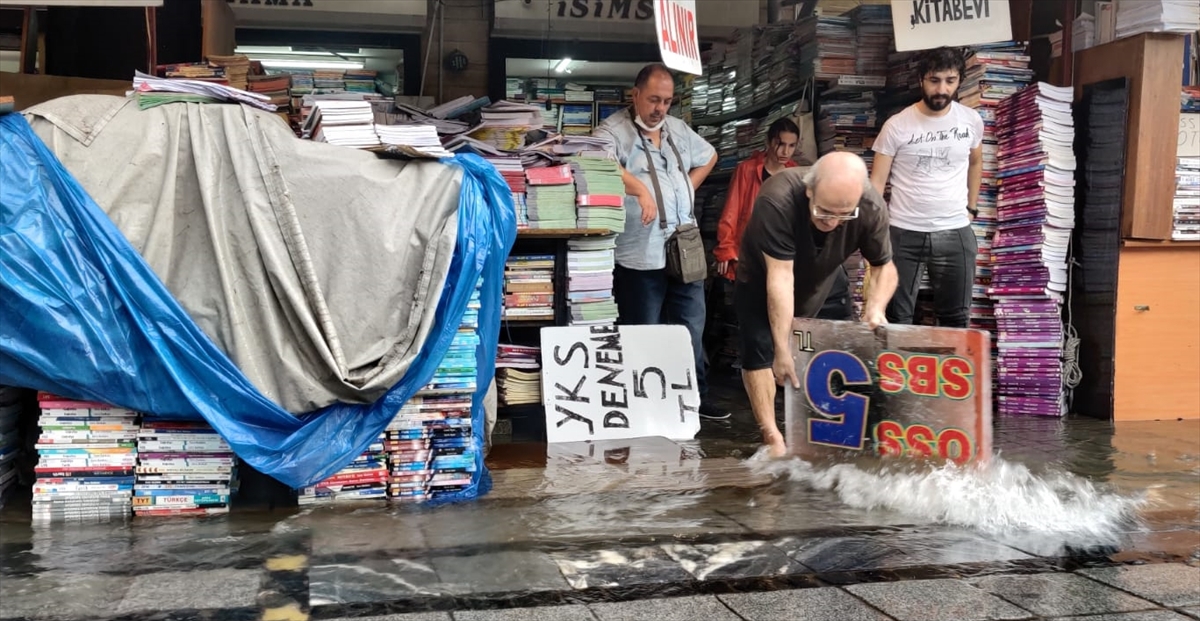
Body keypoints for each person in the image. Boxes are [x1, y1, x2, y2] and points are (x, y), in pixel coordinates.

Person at [735, 152, 899, 456]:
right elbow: (781, 279)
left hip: (825, 276)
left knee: (835, 348)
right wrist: (782, 349)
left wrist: (875, 307)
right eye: (823, 211)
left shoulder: (871, 205)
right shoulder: (778, 199)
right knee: (761, 350)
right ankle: (773, 438)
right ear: (809, 190)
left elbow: (883, 266)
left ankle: (829, 428)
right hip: (763, 279)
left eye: (843, 214)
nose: (833, 221)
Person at [592, 62, 726, 419]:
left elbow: (710, 155)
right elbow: (598, 160)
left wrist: (686, 188)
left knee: (691, 329)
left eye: (667, 101)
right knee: (642, 330)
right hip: (639, 252)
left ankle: (694, 398)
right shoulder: (612, 131)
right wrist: (640, 190)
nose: (660, 108)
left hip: (685, 245)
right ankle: (643, 404)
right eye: (653, 99)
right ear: (634, 95)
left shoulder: (679, 129)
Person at [870, 46, 983, 328]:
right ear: (922, 79)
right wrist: (874, 231)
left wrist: (972, 207)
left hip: (955, 230)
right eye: (934, 80)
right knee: (896, 319)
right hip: (903, 232)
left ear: (959, 81)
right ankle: (897, 373)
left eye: (950, 80)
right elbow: (875, 184)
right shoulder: (897, 126)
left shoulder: (971, 121)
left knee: (956, 320)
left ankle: (950, 373)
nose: (941, 89)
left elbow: (976, 162)